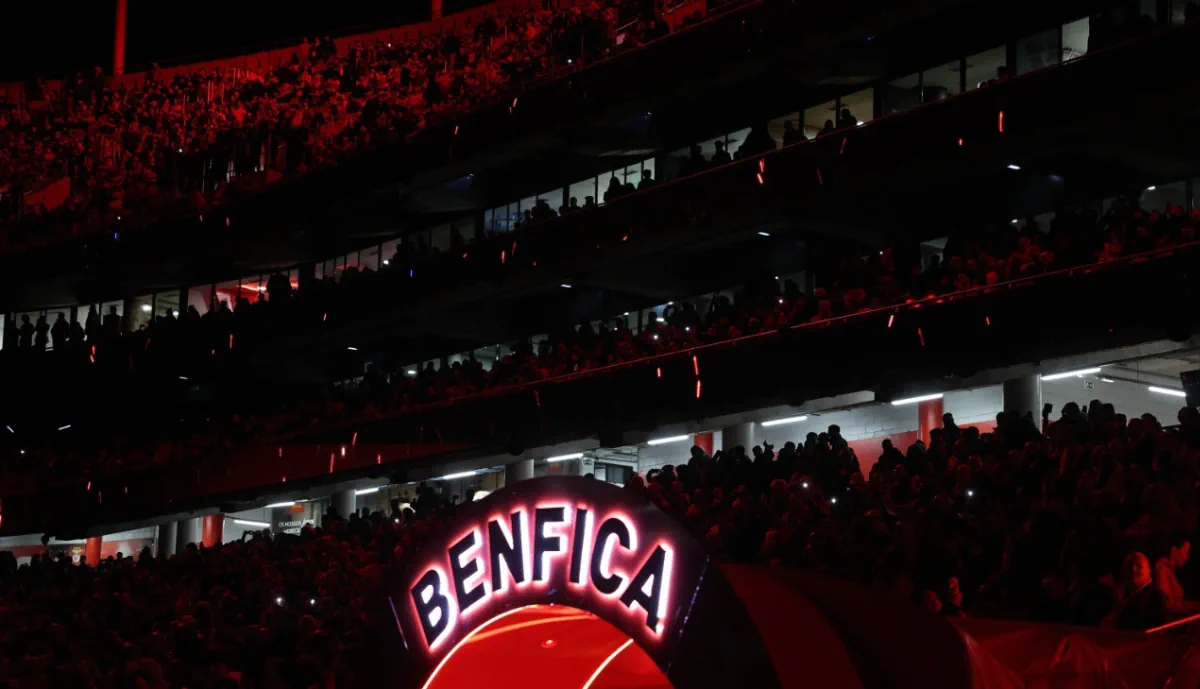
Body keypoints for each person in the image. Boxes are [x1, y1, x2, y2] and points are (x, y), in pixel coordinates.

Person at [1113, 552, 1166, 630]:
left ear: (1148, 569)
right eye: (1130, 565)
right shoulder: (1125, 593)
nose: (1133, 569)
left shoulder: (1155, 596)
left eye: (1139, 566)